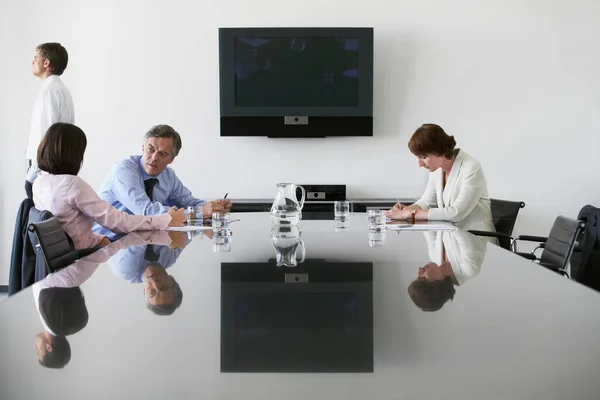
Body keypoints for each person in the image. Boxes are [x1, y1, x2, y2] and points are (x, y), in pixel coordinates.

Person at [32, 123, 186, 249]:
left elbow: (69, 228)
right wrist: (166, 219)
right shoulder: (72, 185)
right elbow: (118, 222)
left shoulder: (39, 182)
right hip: (82, 260)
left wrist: (100, 239)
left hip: (69, 260)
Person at [33, 232, 161, 368]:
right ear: (49, 348)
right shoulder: (45, 303)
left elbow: (106, 248)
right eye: (38, 352)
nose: (35, 348)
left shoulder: (80, 273)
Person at [94, 124, 232, 239]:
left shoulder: (168, 176)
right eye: (150, 150)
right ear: (143, 148)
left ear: (171, 159)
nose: (154, 157)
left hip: (144, 240)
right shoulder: (124, 172)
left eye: (163, 154)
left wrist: (213, 207)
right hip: (107, 244)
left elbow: (188, 201)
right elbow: (146, 212)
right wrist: (201, 212)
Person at [386, 124, 495, 232]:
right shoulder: (437, 169)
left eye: (424, 157)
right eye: (418, 157)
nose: (420, 164)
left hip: (476, 239)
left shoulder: (471, 167)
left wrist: (408, 214)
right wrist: (407, 209)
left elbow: (456, 213)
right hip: (451, 236)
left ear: (439, 151)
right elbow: (425, 202)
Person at [25, 43, 75, 199]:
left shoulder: (49, 90)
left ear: (46, 63)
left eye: (36, 58)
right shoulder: (61, 89)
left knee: (38, 220)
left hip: (43, 170)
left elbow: (46, 135)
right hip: (57, 167)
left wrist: (31, 175)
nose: (33, 61)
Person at [109, 231, 188, 316]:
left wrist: (167, 236)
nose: (155, 284)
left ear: (145, 291)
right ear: (172, 279)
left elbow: (140, 232)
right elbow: (190, 231)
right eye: (164, 288)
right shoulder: (169, 259)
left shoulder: (125, 269)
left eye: (152, 292)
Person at [408, 229, 487, 312]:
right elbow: (459, 228)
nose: (420, 270)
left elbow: (428, 228)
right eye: (422, 277)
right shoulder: (469, 268)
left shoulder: (435, 259)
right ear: (436, 284)